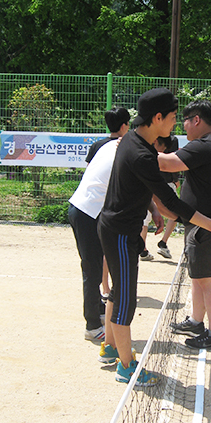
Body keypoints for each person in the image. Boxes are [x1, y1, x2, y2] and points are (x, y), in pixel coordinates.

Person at [97, 88, 211, 385]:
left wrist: (157, 211)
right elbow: (172, 203)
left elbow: (158, 199)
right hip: (121, 233)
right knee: (125, 301)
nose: (177, 123)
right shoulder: (141, 152)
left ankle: (110, 347)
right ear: (158, 117)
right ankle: (127, 367)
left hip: (114, 228)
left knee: (117, 292)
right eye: (174, 117)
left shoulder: (134, 141)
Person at [158, 100, 211, 350]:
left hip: (209, 226)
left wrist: (135, 150)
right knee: (199, 277)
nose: (183, 127)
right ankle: (196, 321)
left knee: (208, 280)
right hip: (204, 224)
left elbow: (167, 163)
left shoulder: (206, 145)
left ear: (197, 120)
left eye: (185, 121)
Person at [68, 108, 130, 347]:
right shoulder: (119, 148)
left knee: (96, 264)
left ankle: (99, 310)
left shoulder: (106, 145)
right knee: (92, 269)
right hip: (86, 211)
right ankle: (92, 326)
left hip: (92, 211)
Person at [154, 134, 180, 260]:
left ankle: (143, 249)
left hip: (150, 180)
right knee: (175, 213)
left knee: (145, 216)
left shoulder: (149, 135)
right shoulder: (172, 139)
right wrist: (176, 179)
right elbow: (173, 161)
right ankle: (163, 242)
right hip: (166, 181)